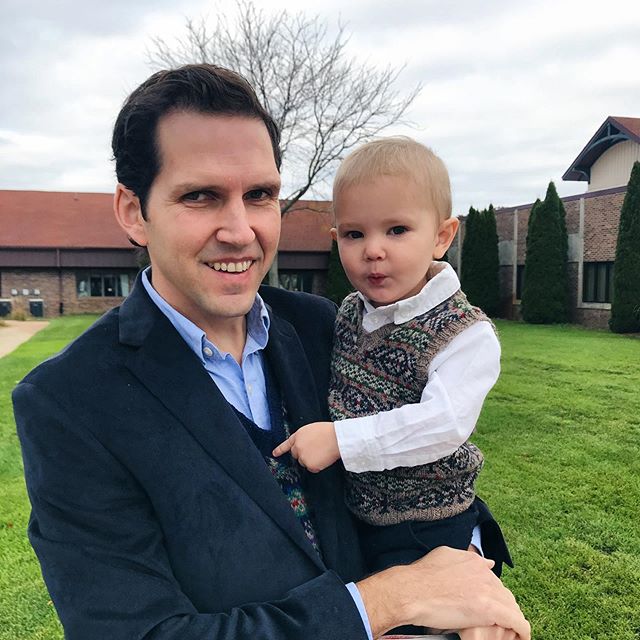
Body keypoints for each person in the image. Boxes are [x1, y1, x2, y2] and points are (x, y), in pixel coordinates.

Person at [13, 64, 529, 640]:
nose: (239, 230)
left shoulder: (322, 327)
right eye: (201, 196)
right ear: (134, 211)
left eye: (259, 194)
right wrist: (382, 603)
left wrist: (470, 580)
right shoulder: (70, 402)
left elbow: (417, 469)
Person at [273, 137, 509, 577]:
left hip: (428, 525)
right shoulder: (349, 313)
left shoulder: (463, 333)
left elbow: (442, 426)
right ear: (335, 239)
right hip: (355, 514)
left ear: (442, 236)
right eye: (354, 233)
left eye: (396, 230)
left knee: (415, 620)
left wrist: (342, 440)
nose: (373, 249)